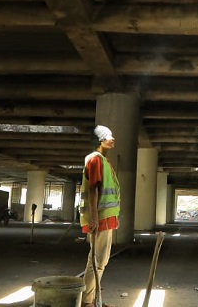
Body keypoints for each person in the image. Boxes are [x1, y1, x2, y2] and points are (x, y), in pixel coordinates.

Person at [79, 125, 121, 307]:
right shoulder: (95, 160)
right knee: (97, 261)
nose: (113, 139)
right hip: (100, 218)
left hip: (106, 217)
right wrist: (94, 217)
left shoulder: (102, 160)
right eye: (109, 136)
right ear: (100, 140)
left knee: (99, 261)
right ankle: (88, 302)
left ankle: (94, 299)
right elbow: (93, 189)